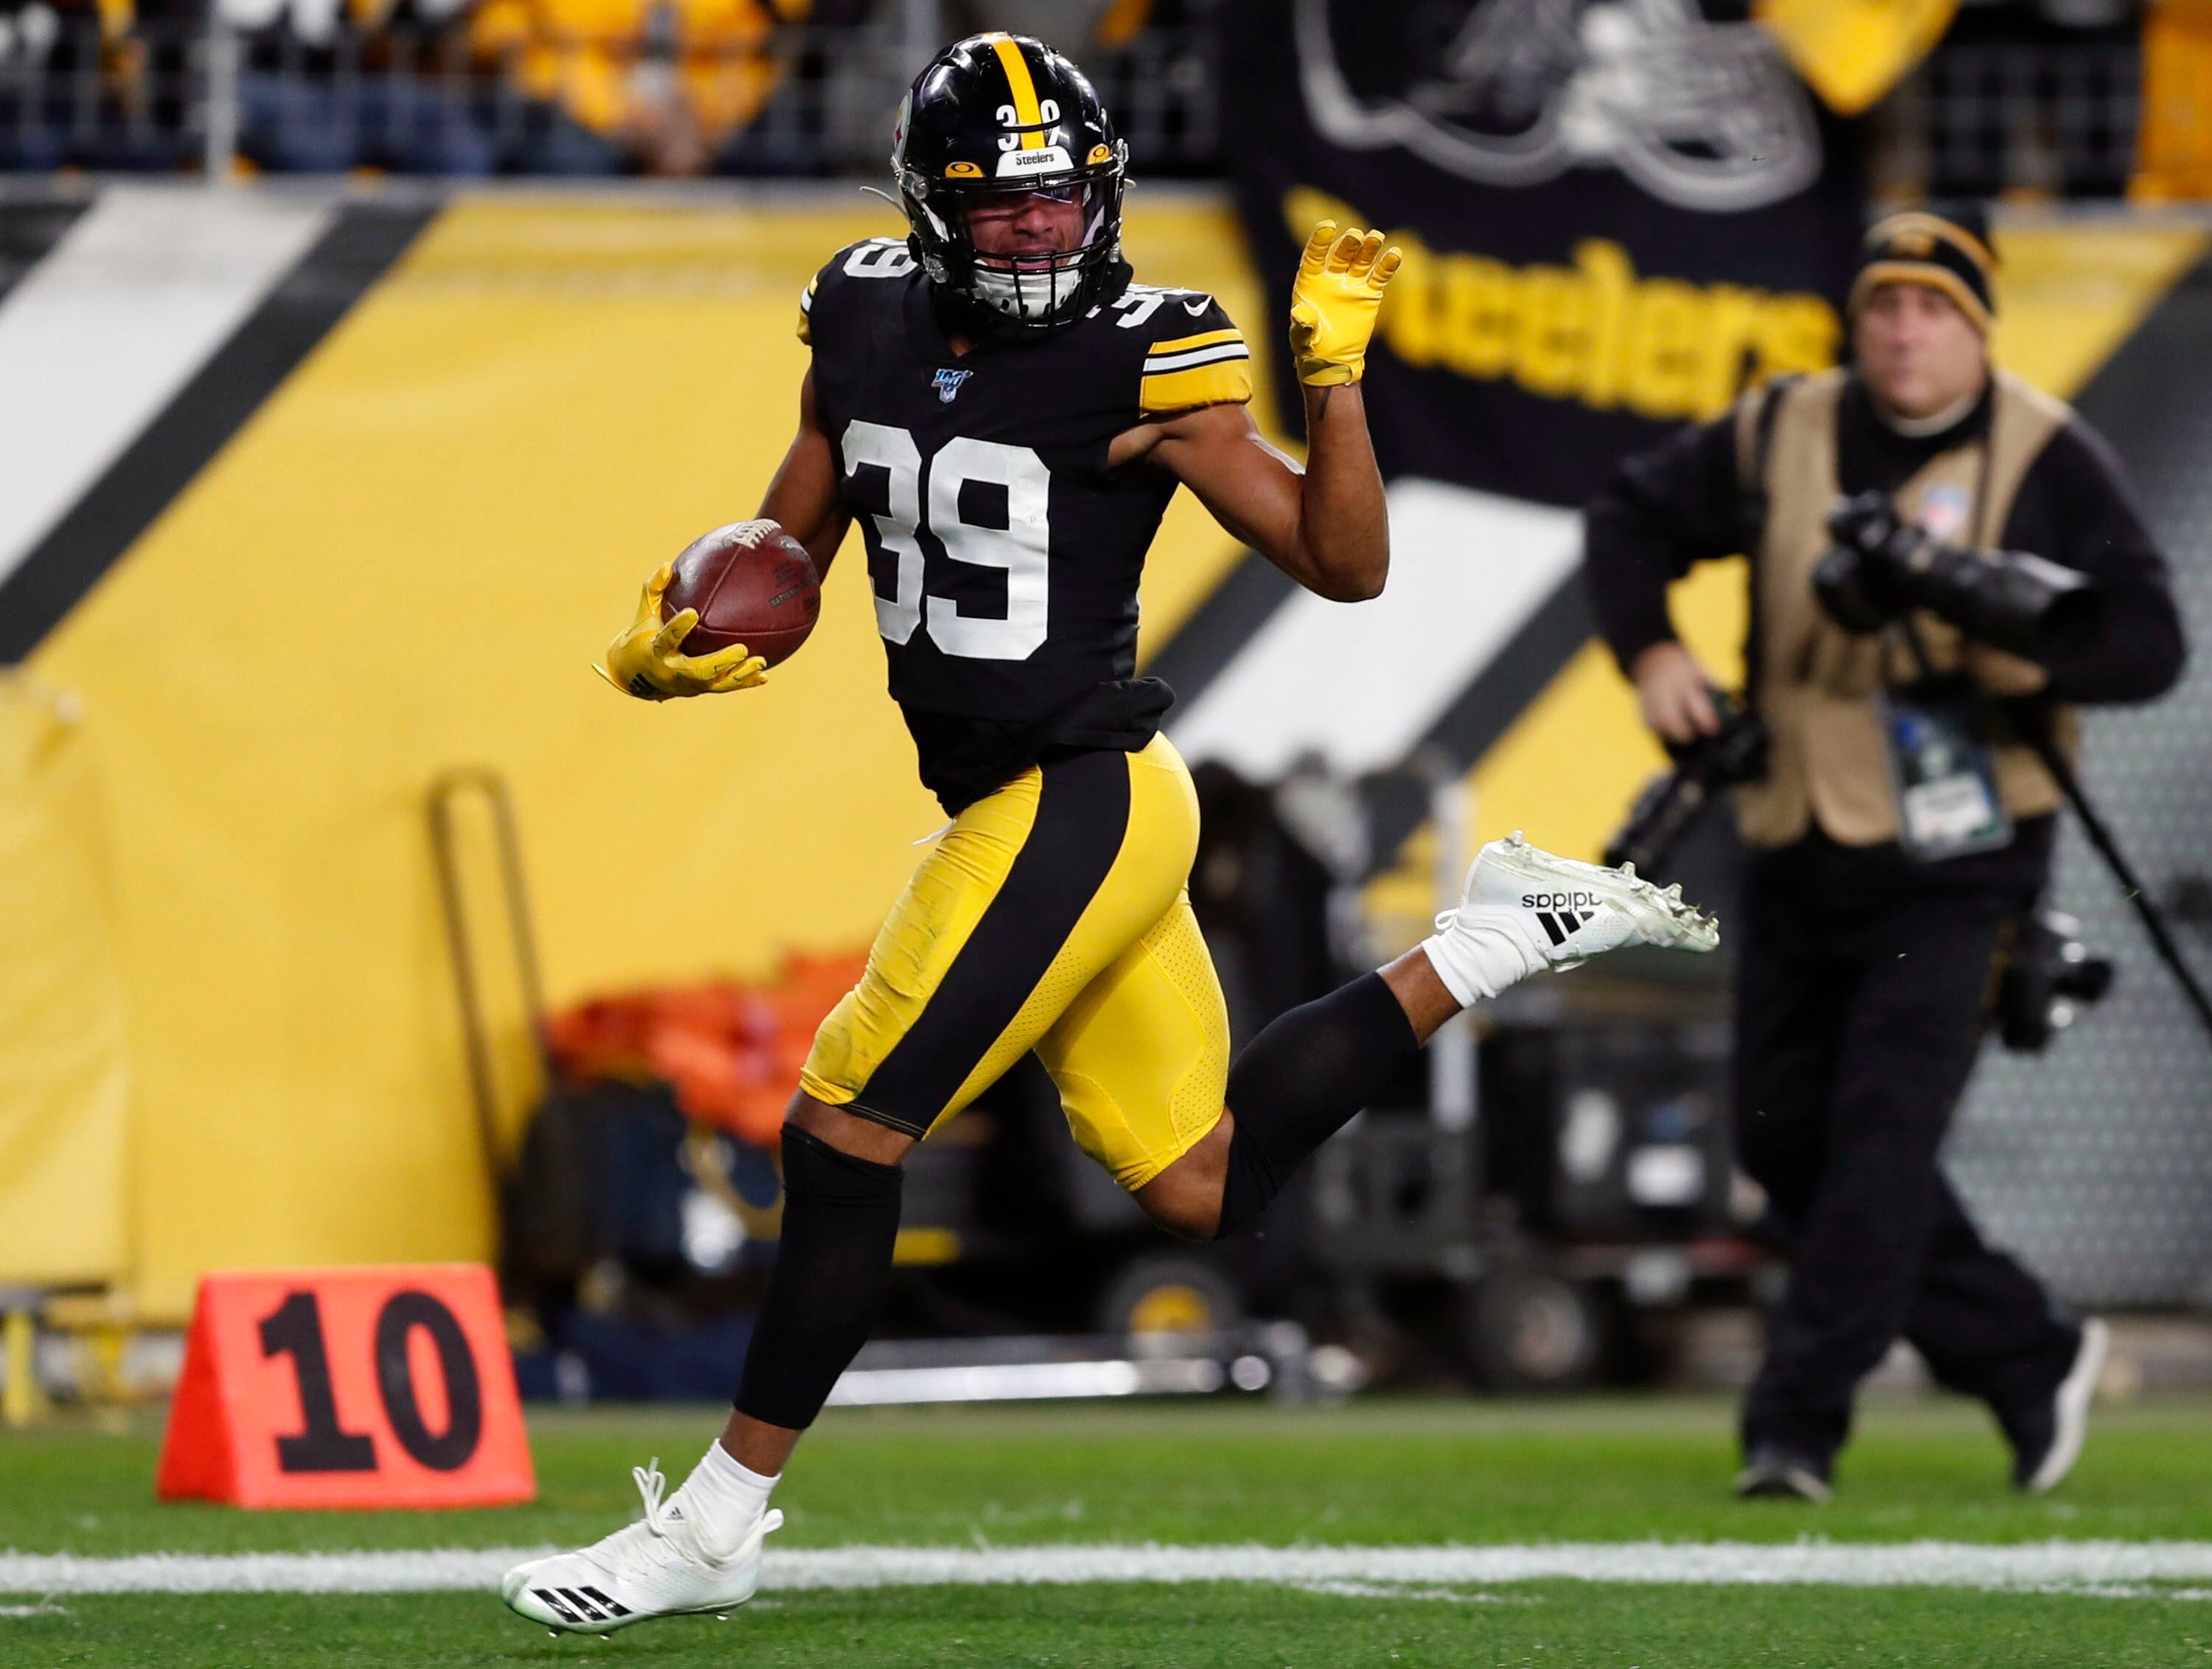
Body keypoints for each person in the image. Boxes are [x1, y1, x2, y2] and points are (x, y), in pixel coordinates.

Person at [504, 32, 1717, 1634]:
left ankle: (718, 1521)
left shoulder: (1153, 355)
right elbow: (782, 537)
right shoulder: (859, 310)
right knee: (1202, 1185)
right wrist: (677, 631)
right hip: (1028, 796)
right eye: (999, 209)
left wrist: (1339, 380)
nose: (1036, 232)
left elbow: (1341, 564)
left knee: (842, 1133)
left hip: (1081, 792)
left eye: (1063, 201)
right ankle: (1495, 933)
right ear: (931, 206)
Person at [1582, 202, 2187, 1503]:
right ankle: (2029, 1349)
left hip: (1968, 856)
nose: (1905, 332)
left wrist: (1996, 616)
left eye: (1934, 309)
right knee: (1786, 1140)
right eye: (1884, 307)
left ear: (1978, 329)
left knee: (1878, 1138)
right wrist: (1655, 652)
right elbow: (1627, 521)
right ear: (1856, 322)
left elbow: (2147, 645)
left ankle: (1793, 1428)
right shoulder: (1776, 427)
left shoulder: (2048, 452)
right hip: (1798, 832)